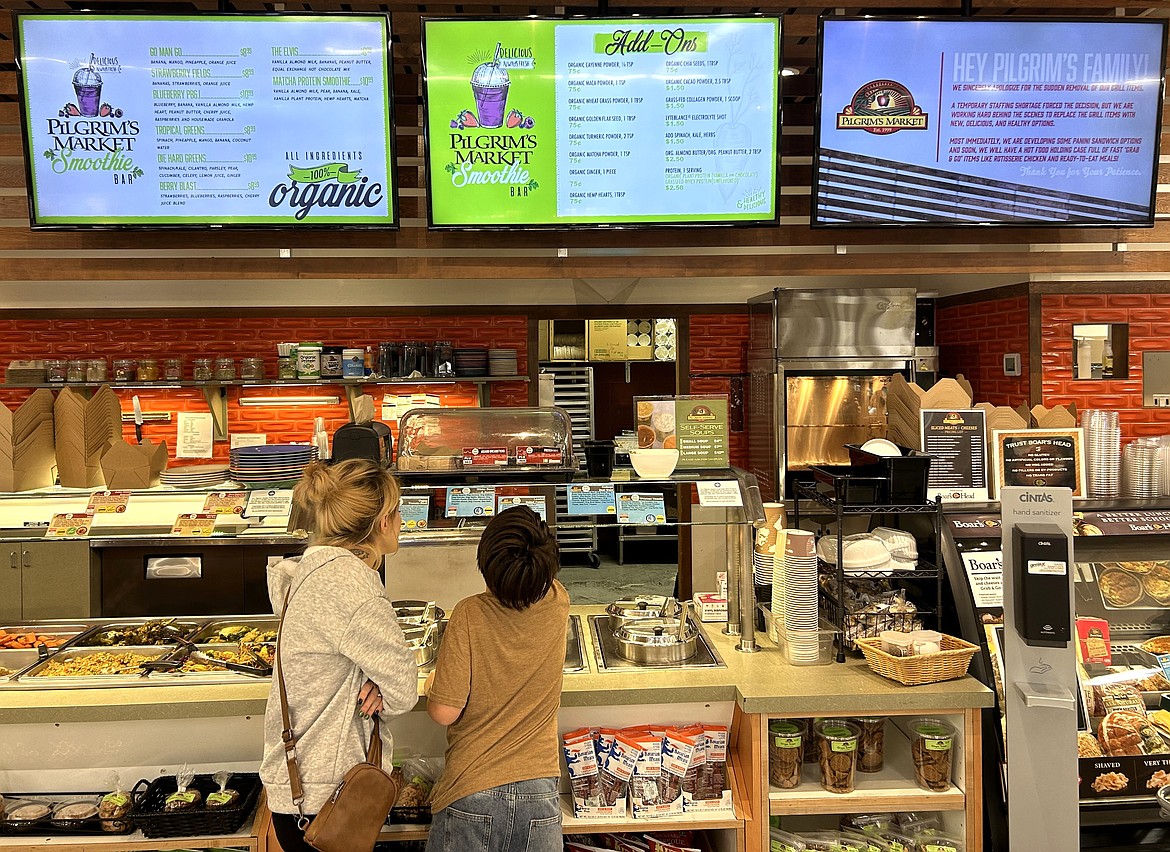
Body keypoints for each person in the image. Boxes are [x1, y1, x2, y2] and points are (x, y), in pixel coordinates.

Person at [260, 459, 418, 852]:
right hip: (326, 798)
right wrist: (382, 686)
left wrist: (368, 679)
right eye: (397, 511)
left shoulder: (313, 570)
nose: (400, 520)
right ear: (382, 521)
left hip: (302, 786)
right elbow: (402, 687)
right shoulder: (351, 587)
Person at [424, 505, 570, 852]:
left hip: (471, 791)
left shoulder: (469, 614)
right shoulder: (559, 601)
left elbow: (444, 712)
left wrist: (433, 685)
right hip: (540, 794)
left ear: (485, 566)